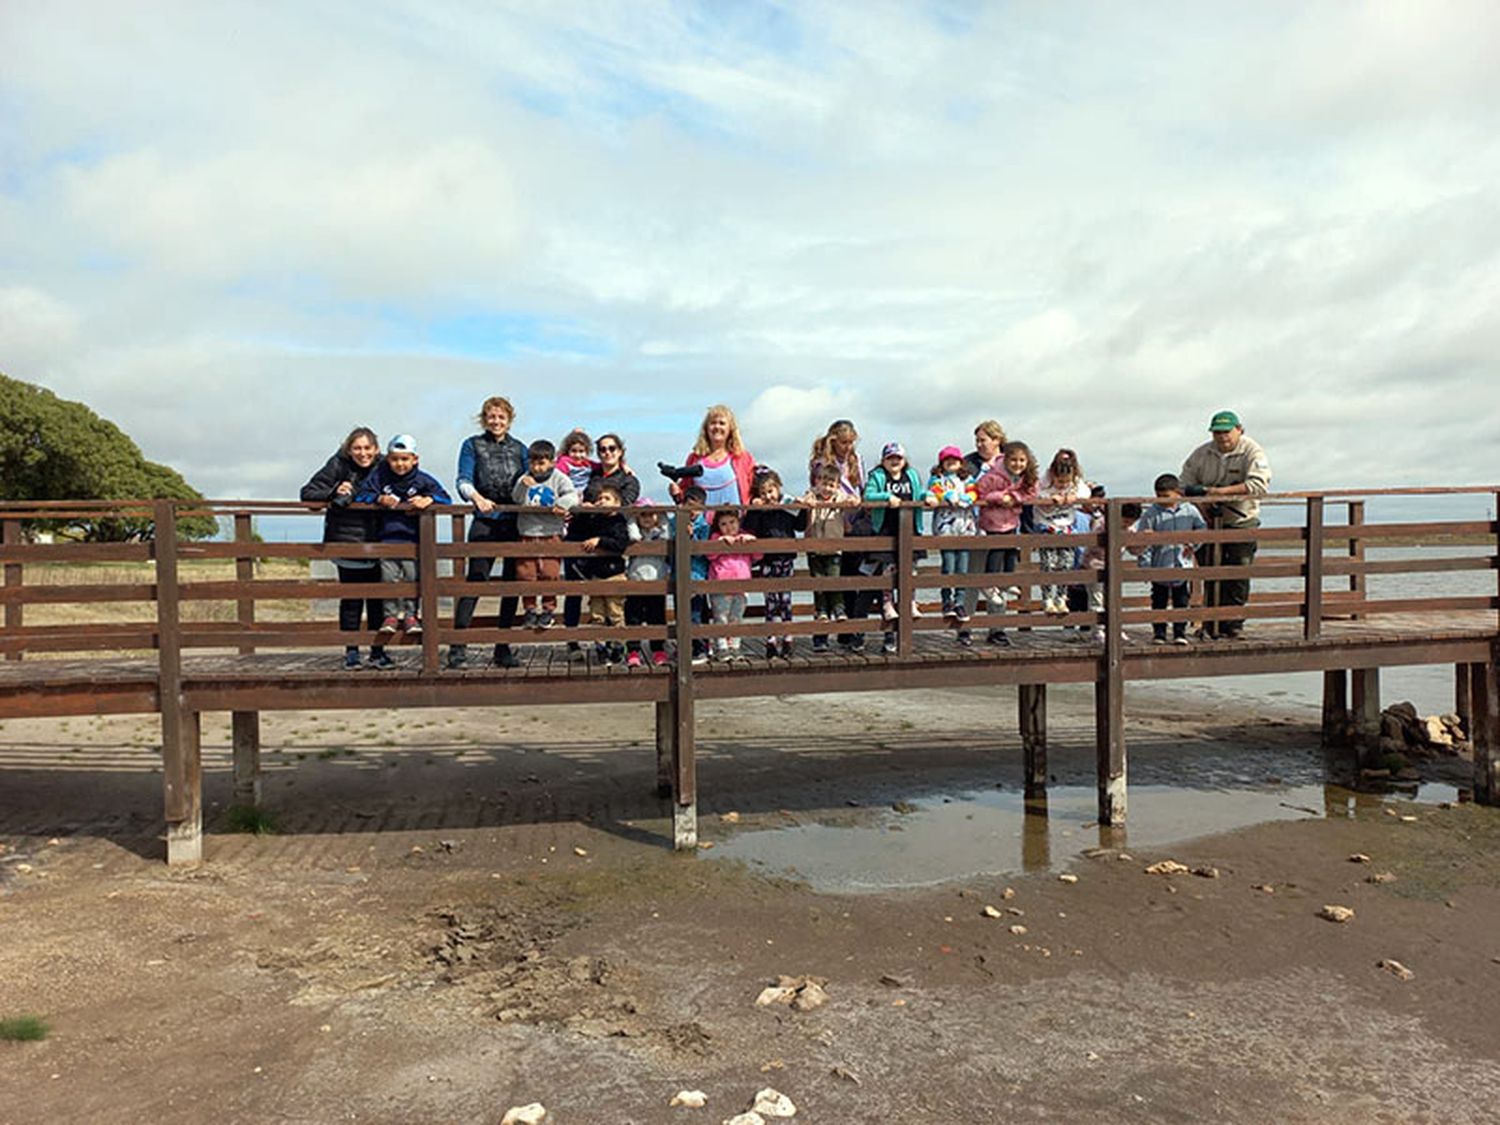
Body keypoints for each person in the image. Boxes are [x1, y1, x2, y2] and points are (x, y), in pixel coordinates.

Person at [352, 434, 451, 667]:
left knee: (412, 578)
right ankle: (389, 615)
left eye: (405, 459)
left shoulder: (423, 479)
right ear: (388, 459)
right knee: (388, 579)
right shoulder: (380, 476)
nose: (400, 464)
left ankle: (410, 615)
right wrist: (379, 498)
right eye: (395, 459)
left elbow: (445, 498)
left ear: (415, 459)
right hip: (387, 538)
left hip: (414, 541)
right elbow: (361, 495)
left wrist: (428, 499)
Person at [450, 396, 529, 669]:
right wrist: (476, 498)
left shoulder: (520, 449)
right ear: (484, 419)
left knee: (511, 585)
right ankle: (457, 648)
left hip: (513, 521)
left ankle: (502, 647)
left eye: (501, 417)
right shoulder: (472, 445)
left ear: (509, 420)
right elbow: (463, 480)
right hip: (485, 520)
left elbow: (537, 478)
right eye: (491, 417)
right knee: (476, 581)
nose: (496, 421)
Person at [1179, 410, 1272, 640]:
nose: (1222, 437)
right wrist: (1202, 506)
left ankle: (1234, 623)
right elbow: (1183, 485)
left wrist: (1220, 492)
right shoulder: (1201, 454)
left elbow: (1259, 485)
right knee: (1210, 571)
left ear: (1239, 429)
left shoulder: (1252, 451)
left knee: (1239, 572)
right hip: (1207, 522)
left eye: (1226, 432)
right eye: (1217, 433)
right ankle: (1211, 623)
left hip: (1241, 519)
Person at [300, 426, 384, 670]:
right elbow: (307, 494)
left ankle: (377, 652)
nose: (362, 453)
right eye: (357, 448)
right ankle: (352, 652)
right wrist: (333, 491)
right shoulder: (338, 464)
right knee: (351, 601)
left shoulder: (385, 466)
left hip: (380, 543)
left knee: (378, 601)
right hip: (347, 543)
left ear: (376, 449)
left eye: (367, 448)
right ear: (349, 449)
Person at [862, 442, 926, 655]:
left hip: (909, 532)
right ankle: (888, 612)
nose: (895, 461)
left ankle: (910, 602)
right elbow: (868, 495)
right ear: (883, 460)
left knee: (910, 572)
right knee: (888, 575)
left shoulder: (913, 476)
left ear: (904, 460)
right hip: (887, 532)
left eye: (898, 458)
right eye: (890, 458)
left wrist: (929, 498)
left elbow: (920, 493)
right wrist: (886, 498)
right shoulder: (878, 476)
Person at [808, 419, 871, 630]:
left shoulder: (857, 460)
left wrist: (860, 511)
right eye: (844, 442)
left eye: (851, 442)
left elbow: (861, 489)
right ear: (834, 441)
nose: (848, 447)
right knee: (825, 579)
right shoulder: (821, 463)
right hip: (829, 524)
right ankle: (823, 633)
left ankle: (850, 631)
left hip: (854, 524)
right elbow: (817, 494)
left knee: (850, 579)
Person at [975, 440, 1038, 647]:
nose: (1018, 464)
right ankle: (991, 589)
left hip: (1011, 522)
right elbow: (980, 492)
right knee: (995, 556)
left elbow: (1032, 493)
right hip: (992, 523)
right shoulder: (992, 472)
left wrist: (1015, 496)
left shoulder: (1025, 477)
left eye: (1022, 460)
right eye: (1014, 460)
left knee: (1011, 553)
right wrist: (1001, 497)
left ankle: (999, 625)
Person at [511, 439, 579, 630]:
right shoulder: (524, 477)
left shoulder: (559, 478)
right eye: (533, 463)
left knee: (550, 573)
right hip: (527, 532)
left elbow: (572, 495)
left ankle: (548, 610)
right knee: (526, 574)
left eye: (541, 463)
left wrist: (562, 504)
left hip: (551, 533)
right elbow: (516, 499)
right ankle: (530, 610)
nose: (537, 467)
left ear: (551, 461)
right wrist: (523, 486)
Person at [1134, 474, 1207, 645]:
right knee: (1158, 602)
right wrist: (1145, 566)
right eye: (1159, 496)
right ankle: (1159, 633)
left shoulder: (1189, 510)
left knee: (1181, 601)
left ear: (1177, 493)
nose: (1162, 500)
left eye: (1166, 496)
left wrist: (1194, 544)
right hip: (1160, 565)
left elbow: (1202, 528)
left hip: (1182, 564)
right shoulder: (1151, 513)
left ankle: (1179, 633)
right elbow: (1144, 541)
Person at [564, 481, 632, 664]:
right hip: (595, 575)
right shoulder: (594, 519)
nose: (602, 501)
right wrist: (583, 511)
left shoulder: (618, 520)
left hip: (614, 574)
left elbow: (620, 543)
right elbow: (577, 530)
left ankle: (617, 647)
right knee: (597, 614)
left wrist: (600, 540)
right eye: (600, 498)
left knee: (615, 613)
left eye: (607, 498)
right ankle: (601, 648)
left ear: (617, 503)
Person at [743, 468, 808, 660]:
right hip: (767, 560)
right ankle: (771, 639)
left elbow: (800, 526)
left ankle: (788, 637)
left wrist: (802, 508)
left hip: (786, 558)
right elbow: (749, 527)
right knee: (770, 601)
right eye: (763, 493)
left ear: (778, 489)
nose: (768, 497)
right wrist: (755, 509)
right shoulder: (761, 512)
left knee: (785, 600)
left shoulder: (786, 507)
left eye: (770, 491)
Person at [924, 445, 979, 644]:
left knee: (962, 568)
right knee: (948, 565)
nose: (951, 463)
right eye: (947, 461)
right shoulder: (937, 479)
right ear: (941, 463)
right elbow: (935, 491)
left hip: (965, 528)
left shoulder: (967, 479)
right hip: (946, 528)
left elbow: (974, 493)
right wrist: (946, 496)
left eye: (954, 460)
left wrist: (967, 498)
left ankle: (960, 601)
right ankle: (946, 600)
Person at [801, 463, 852, 653]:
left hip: (834, 548)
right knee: (819, 584)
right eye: (824, 483)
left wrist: (853, 500)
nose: (827, 488)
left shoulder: (839, 498)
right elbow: (803, 499)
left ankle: (839, 608)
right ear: (817, 482)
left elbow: (852, 500)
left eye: (831, 484)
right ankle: (821, 620)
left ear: (837, 486)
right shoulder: (812, 496)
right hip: (814, 548)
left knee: (834, 581)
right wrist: (807, 500)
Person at [1035, 449, 1089, 616]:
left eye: (1066, 482)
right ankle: (1047, 599)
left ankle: (1061, 597)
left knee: (1066, 564)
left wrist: (1074, 496)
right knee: (1048, 565)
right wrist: (1049, 498)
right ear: (1053, 476)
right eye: (1060, 482)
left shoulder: (1075, 482)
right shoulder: (1044, 481)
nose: (1063, 486)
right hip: (1047, 527)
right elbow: (1034, 492)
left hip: (1066, 527)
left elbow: (1086, 492)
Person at [669, 405, 756, 506]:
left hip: (735, 519)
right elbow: (685, 491)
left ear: (730, 429)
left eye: (722, 423)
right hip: (701, 520)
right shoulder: (694, 458)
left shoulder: (742, 458)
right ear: (706, 428)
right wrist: (676, 492)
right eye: (713, 423)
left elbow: (755, 488)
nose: (717, 427)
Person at [706, 507, 760, 661]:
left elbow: (758, 556)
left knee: (736, 617)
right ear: (718, 526)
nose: (729, 527)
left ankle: (735, 647)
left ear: (738, 522)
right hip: (720, 586)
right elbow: (709, 555)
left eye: (732, 522)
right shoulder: (716, 537)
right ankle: (721, 647)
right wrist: (719, 543)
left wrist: (751, 542)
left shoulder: (743, 537)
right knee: (721, 617)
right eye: (724, 524)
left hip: (742, 586)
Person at [624, 500, 671, 667]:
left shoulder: (660, 533)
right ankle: (633, 651)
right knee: (633, 618)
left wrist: (662, 514)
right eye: (643, 514)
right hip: (636, 581)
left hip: (656, 583)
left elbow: (666, 534)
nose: (647, 518)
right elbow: (634, 536)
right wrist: (632, 518)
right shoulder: (635, 534)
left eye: (651, 514)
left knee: (657, 618)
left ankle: (658, 650)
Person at [586, 432, 640, 505]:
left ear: (620, 452)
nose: (607, 452)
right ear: (598, 454)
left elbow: (625, 503)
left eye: (612, 449)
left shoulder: (629, 481)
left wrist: (600, 505)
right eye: (603, 449)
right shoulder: (589, 476)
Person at [557, 429, 597, 493]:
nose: (577, 455)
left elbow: (600, 466)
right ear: (568, 451)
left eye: (581, 451)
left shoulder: (588, 464)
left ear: (587, 452)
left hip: (585, 493)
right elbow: (558, 476)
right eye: (574, 451)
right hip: (569, 492)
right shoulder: (565, 462)